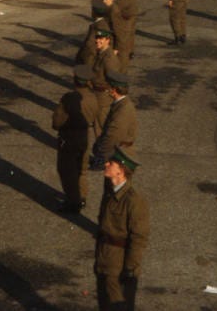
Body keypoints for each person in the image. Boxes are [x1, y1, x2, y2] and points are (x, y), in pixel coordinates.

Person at [95, 146, 149, 311]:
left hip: (118, 268)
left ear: (121, 170)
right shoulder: (110, 194)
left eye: (111, 163)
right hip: (104, 261)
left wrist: (130, 271)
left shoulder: (133, 201)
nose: (106, 164)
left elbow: (138, 238)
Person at [53, 64, 99, 213]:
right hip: (85, 135)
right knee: (82, 169)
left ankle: (73, 201)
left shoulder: (69, 98)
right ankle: (82, 196)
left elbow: (57, 122)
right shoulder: (93, 98)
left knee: (67, 170)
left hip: (69, 137)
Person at [111, 0, 139, 72]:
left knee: (121, 47)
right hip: (129, 19)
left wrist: (110, 4)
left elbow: (117, 7)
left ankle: (121, 71)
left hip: (125, 21)